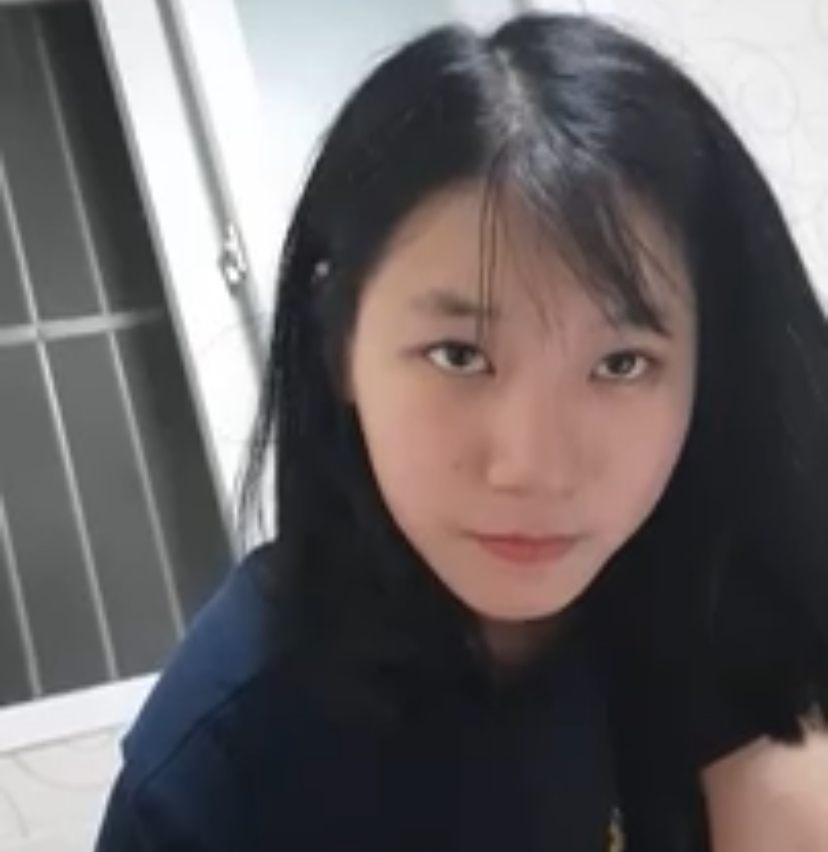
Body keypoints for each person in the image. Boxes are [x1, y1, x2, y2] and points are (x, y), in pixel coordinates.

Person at [95, 12, 828, 852]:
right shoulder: (224, 773)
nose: (533, 466)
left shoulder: (723, 578)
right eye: (459, 355)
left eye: (621, 364)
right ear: (341, 347)